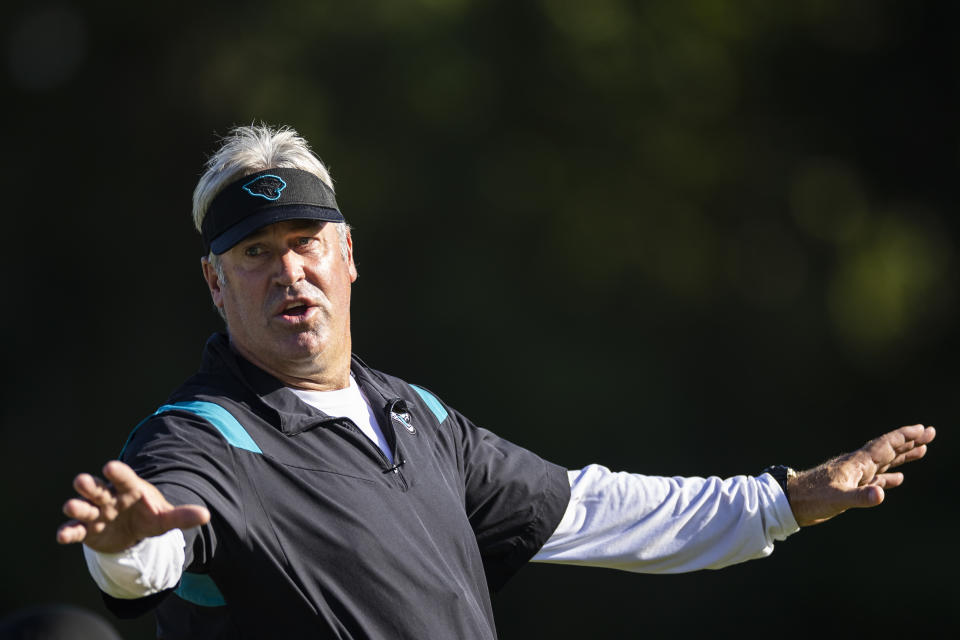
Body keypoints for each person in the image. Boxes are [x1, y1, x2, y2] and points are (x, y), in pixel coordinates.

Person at [56, 125, 936, 639]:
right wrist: (123, 546)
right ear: (216, 283)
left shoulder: (418, 417)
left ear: (347, 255)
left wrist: (784, 501)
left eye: (305, 244)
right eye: (255, 255)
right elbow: (148, 558)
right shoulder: (200, 436)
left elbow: (592, 508)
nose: (290, 273)